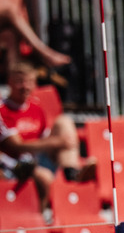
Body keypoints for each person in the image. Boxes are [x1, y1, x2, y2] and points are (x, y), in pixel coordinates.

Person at [0, 61, 96, 210]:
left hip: (38, 158)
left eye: (29, 82)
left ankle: (72, 172)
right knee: (44, 176)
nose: (25, 87)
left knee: (64, 122)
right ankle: (40, 215)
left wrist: (59, 142)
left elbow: (45, 138)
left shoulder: (36, 107)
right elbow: (17, 145)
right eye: (20, 82)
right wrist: (56, 142)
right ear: (10, 83)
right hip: (14, 165)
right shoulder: (3, 109)